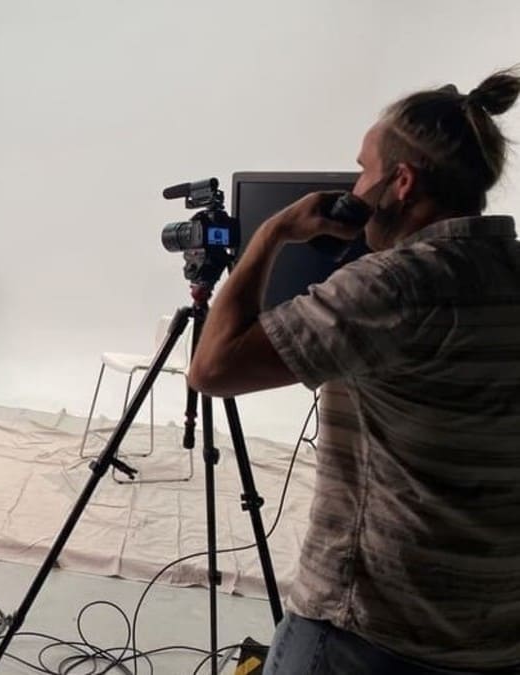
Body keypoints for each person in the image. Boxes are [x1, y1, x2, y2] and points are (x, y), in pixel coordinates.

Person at [189, 68, 520, 674]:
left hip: (371, 631)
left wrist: (272, 235)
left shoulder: (396, 285)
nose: (354, 185)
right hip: (494, 633)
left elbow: (212, 370)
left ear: (401, 182)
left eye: (363, 170)